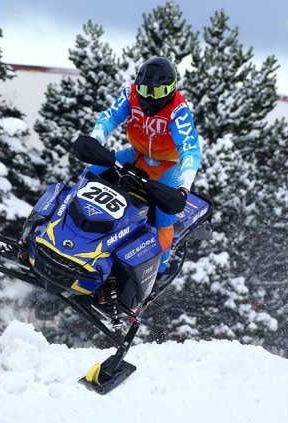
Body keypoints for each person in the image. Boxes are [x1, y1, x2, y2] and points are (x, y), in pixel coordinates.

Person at [85, 56, 201, 284]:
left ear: (170, 89)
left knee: (164, 218)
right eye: (144, 90)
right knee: (91, 175)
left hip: (168, 166)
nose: (148, 97)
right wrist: (95, 140)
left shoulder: (178, 111)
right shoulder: (131, 94)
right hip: (136, 155)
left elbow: (191, 151)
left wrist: (183, 189)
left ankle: (159, 271)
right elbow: (110, 117)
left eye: (156, 93)